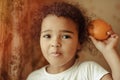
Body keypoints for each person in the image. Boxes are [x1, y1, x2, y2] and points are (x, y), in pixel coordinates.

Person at [27, 2, 120, 80]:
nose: (55, 43)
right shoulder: (34, 77)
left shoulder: (89, 70)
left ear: (79, 41)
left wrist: (109, 51)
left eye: (65, 36)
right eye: (47, 36)